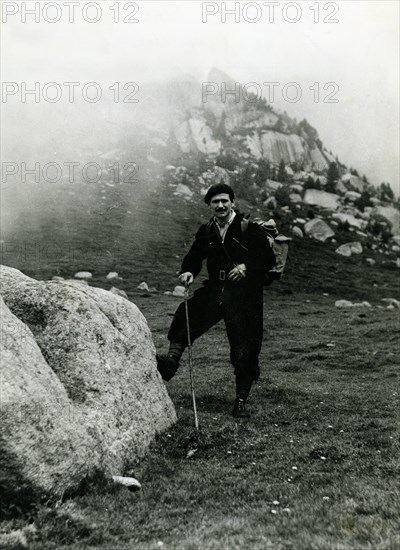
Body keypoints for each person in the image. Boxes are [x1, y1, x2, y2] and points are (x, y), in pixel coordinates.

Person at [157, 182, 275, 417]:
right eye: (215, 202)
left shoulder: (248, 228)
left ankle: (240, 401)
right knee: (186, 314)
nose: (220, 205)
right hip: (217, 290)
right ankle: (171, 363)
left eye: (224, 201)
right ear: (209, 205)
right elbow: (194, 256)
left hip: (244, 295)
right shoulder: (207, 230)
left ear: (232, 202)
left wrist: (245, 266)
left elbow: (268, 259)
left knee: (244, 348)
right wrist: (188, 270)